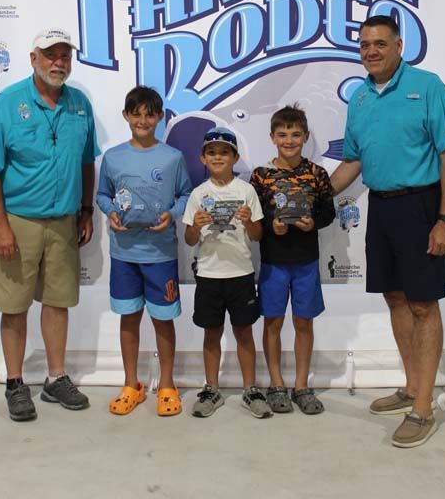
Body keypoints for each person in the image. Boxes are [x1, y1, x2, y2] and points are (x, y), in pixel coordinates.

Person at [331, 14, 445, 448]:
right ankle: (411, 386)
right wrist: (312, 194)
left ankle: (422, 409)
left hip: (421, 206)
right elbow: (353, 161)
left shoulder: (427, 86)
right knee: (395, 297)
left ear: (399, 46)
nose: (371, 51)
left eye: (380, 43)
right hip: (381, 207)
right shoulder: (360, 98)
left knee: (423, 304)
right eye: (364, 44)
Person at [0, 28, 99, 422]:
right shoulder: (6, 103)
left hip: (63, 222)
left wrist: (86, 209)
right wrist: (1, 226)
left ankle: (56, 378)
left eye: (65, 55)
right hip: (18, 220)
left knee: (57, 302)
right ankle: (15, 383)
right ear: (33, 59)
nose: (58, 62)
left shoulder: (80, 104)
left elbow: (86, 161)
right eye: (50, 55)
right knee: (13, 307)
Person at [96, 86, 192, 417]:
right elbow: (103, 195)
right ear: (126, 116)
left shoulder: (172, 157)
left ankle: (166, 384)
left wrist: (172, 214)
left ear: (160, 117)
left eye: (149, 114)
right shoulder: (113, 157)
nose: (142, 120)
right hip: (124, 253)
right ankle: (131, 384)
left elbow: (185, 194)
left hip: (160, 254)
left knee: (163, 320)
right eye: (136, 114)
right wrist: (111, 212)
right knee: (129, 317)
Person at [250, 105, 335, 416]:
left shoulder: (317, 174)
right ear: (272, 137)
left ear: (306, 137)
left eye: (295, 134)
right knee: (273, 322)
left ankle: (301, 386)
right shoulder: (260, 176)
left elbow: (328, 212)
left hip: (306, 262)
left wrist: (314, 224)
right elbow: (255, 219)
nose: (289, 140)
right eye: (283, 134)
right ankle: (276, 383)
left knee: (303, 322)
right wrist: (271, 226)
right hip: (273, 262)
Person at [183, 127, 270, 419]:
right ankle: (211, 388)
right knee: (212, 333)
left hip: (241, 273)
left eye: (224, 152)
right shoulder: (198, 194)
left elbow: (257, 235)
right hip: (208, 274)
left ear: (235, 157)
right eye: (212, 152)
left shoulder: (246, 191)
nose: (217, 157)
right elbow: (189, 240)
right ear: (202, 158)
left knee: (244, 332)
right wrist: (196, 225)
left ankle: (250, 389)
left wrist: (249, 221)